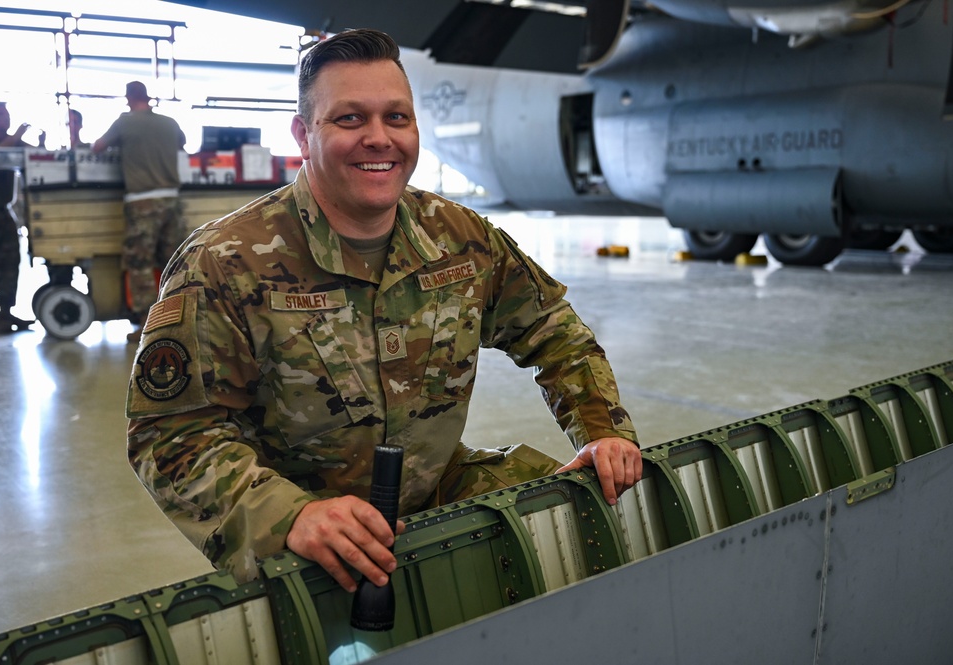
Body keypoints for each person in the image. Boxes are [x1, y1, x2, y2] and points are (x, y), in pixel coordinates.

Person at [125, 29, 643, 592]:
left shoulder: (459, 237)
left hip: (437, 494)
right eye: (350, 119)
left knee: (586, 523)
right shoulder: (225, 263)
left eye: (397, 118)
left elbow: (552, 329)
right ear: (303, 134)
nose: (379, 139)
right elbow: (172, 436)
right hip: (311, 530)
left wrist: (601, 430)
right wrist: (288, 518)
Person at [92, 82, 187, 342]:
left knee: (140, 263)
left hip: (142, 201)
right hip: (172, 199)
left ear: (129, 97)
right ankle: (181, 319)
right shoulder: (169, 122)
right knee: (174, 263)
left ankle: (149, 324)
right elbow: (182, 143)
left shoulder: (124, 122)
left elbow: (97, 147)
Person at [0, 102, 39, 333]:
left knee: (11, 262)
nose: (4, 120)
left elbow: (34, 155)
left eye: (6, 115)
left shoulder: (14, 140)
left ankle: (6, 311)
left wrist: (42, 143)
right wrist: (17, 135)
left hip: (3, 210)